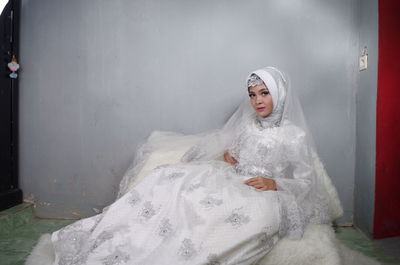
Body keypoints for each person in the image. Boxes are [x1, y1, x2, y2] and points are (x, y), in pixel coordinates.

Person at [48, 67, 340, 265]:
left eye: (264, 93)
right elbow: (236, 151)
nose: (257, 101)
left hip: (261, 191)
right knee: (170, 181)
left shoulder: (294, 135)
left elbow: (304, 181)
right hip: (231, 177)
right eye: (253, 94)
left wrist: (276, 183)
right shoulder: (249, 125)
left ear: (279, 94)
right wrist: (230, 157)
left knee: (229, 217)